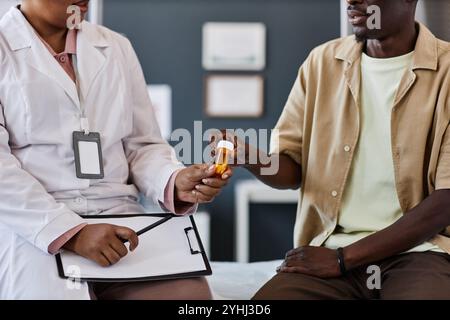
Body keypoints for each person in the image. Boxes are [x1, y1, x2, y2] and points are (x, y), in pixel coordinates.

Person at [0, 0, 231, 300]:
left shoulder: (116, 47)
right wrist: (73, 232)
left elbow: (141, 145)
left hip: (120, 220)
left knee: (191, 298)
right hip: (36, 229)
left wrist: (173, 181)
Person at [223, 0, 450, 299]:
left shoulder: (446, 71)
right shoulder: (321, 62)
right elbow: (292, 169)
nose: (352, 1)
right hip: (329, 250)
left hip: (419, 254)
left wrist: (345, 259)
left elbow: (445, 201)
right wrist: (250, 158)